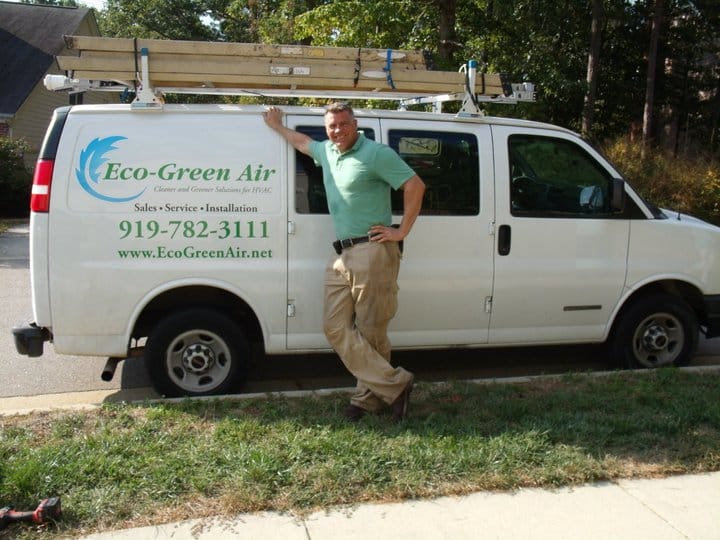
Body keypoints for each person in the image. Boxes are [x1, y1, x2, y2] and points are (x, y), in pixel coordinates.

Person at [262, 102, 425, 422]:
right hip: (343, 255)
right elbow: (302, 143)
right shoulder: (328, 152)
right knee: (334, 326)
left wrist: (401, 230)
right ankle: (396, 384)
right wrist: (276, 126)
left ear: (355, 123)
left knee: (371, 330)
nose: (337, 130)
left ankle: (367, 400)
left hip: (372, 250)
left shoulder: (376, 153)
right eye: (331, 126)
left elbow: (414, 185)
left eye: (343, 124)